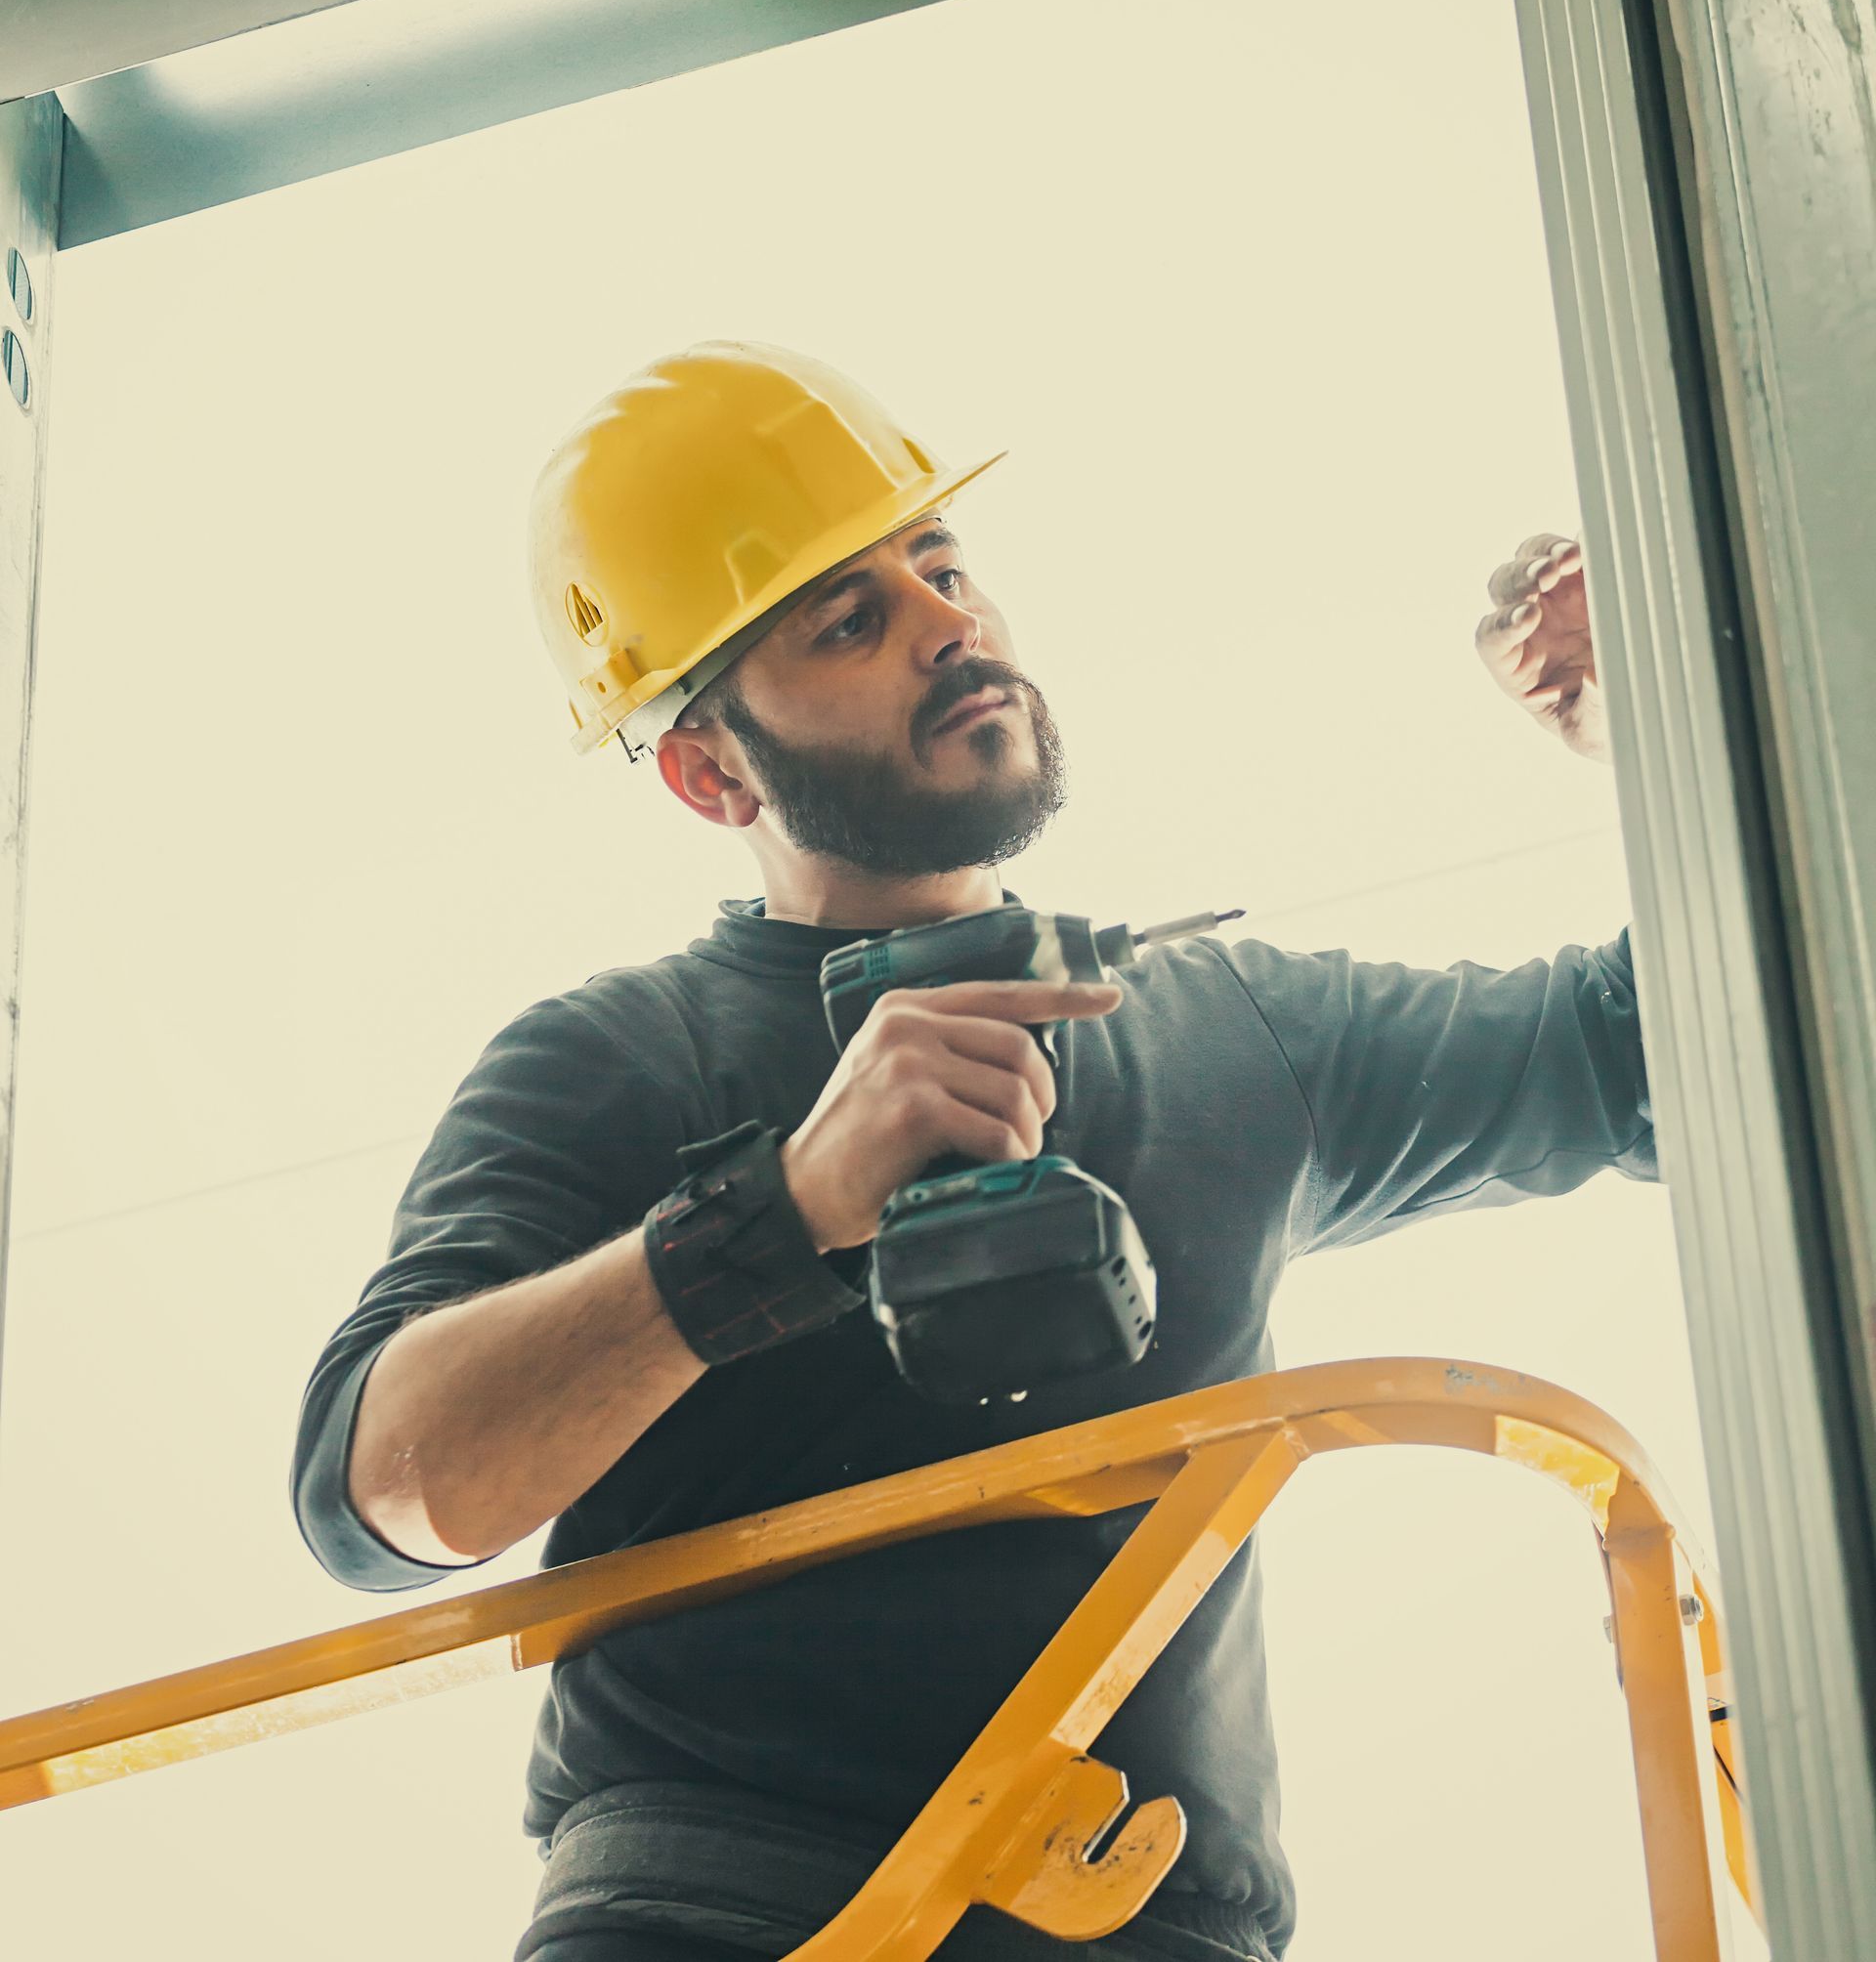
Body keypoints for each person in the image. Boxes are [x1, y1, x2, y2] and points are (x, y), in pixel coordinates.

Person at [291, 342, 1650, 1962]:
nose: (954, 625)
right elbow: (383, 1491)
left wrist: (1659, 726)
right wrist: (782, 1212)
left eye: (941, 566)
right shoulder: (612, 1061)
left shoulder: (1224, 1033)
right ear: (707, 766)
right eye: (849, 619)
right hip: (727, 1922)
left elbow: (1645, 1058)